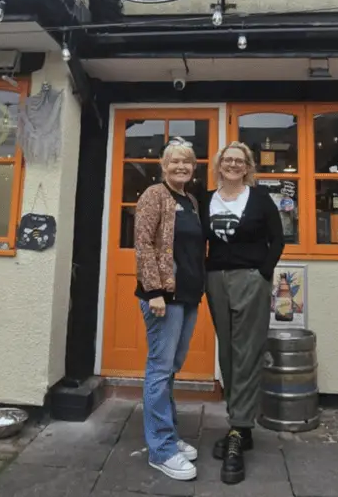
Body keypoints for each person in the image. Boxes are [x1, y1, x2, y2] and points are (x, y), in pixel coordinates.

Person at [204, 141, 285, 484]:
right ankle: (243, 424)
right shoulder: (206, 198)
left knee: (248, 352)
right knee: (228, 352)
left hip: (251, 280)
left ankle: (237, 432)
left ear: (248, 166)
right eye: (228, 160)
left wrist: (262, 274)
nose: (233, 165)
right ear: (219, 165)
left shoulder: (260, 199)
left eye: (240, 161)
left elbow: (278, 239)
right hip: (216, 281)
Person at [133, 137, 205, 481]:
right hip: (164, 295)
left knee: (172, 366)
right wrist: (155, 291)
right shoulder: (154, 196)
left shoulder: (190, 200)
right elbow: (143, 244)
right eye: (174, 161)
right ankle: (161, 449)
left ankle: (170, 436)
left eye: (186, 162)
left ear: (193, 167)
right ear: (163, 166)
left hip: (188, 295)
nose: (181, 167)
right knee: (160, 369)